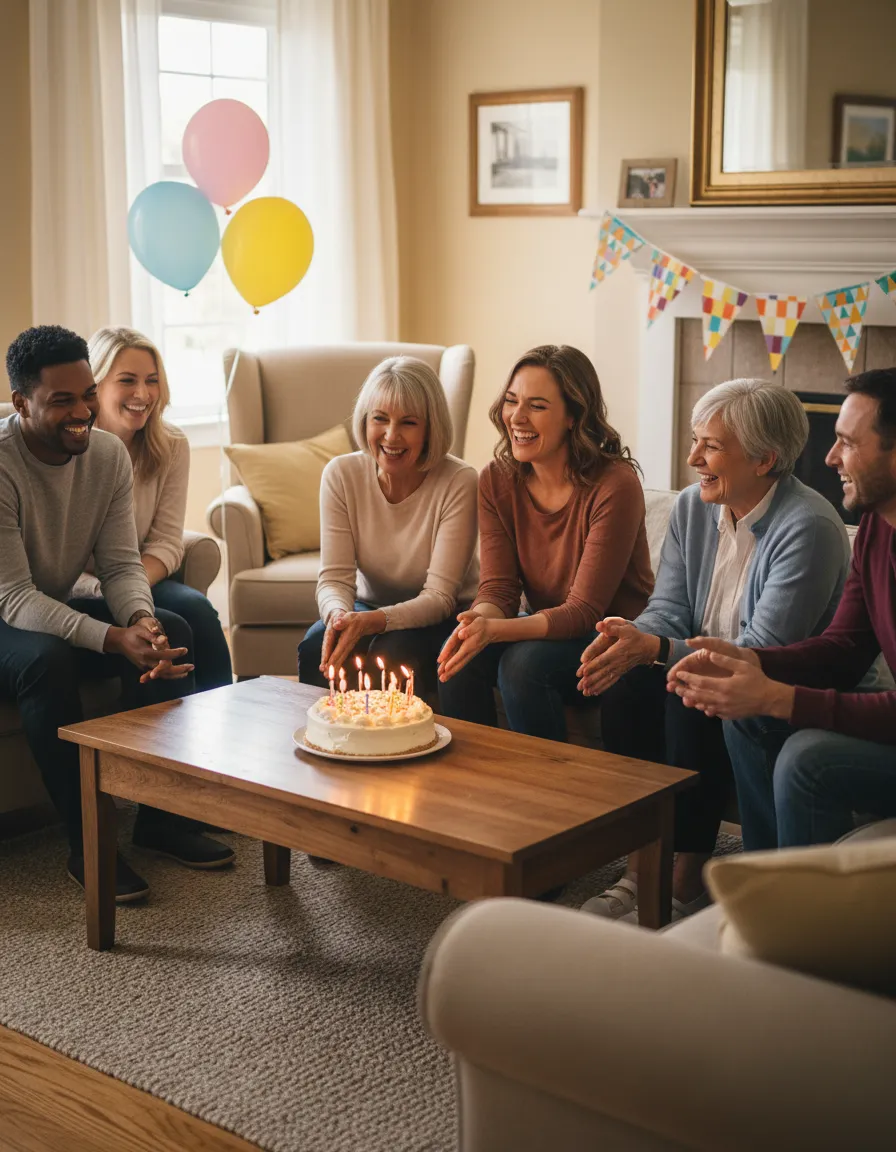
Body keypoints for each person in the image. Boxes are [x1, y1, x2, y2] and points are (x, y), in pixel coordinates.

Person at [576, 378, 850, 921]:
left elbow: (761, 652)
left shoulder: (809, 527)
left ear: (765, 459)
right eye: (695, 440)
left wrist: (659, 648)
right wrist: (636, 638)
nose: (692, 456)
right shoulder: (691, 508)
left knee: (691, 689)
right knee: (629, 681)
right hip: (708, 664)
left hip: (782, 687)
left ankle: (686, 875)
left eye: (710, 445)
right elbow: (669, 608)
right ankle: (641, 864)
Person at [0, 326, 234, 903]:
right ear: (21, 404)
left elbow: (123, 564)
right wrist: (111, 638)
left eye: (86, 395)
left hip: (44, 602)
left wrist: (141, 620)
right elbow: (14, 597)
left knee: (173, 626)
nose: (82, 411)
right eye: (62, 400)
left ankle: (160, 817)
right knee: (46, 660)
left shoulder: (103, 455)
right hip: (6, 611)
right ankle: (90, 846)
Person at [669, 369, 896, 850]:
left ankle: (803, 912)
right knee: (745, 712)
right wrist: (751, 664)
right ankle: (762, 878)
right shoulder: (879, 528)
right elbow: (845, 646)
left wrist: (777, 697)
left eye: (848, 443)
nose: (830, 457)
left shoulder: (811, 523)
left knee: (807, 759)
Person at [437, 344, 652, 742]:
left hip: (613, 638)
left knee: (523, 665)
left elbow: (583, 611)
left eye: (536, 406)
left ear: (574, 416)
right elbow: (499, 588)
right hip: (551, 630)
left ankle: (547, 798)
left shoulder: (615, 484)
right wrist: (477, 622)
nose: (516, 418)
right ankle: (473, 790)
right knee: (459, 657)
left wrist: (495, 631)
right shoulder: (497, 479)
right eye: (511, 401)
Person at [298, 356, 478, 698]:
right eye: (380, 419)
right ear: (365, 421)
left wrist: (371, 621)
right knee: (315, 645)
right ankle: (329, 744)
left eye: (408, 422)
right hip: (369, 606)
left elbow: (439, 597)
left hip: (447, 613)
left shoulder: (460, 481)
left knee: (394, 653)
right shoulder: (341, 474)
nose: (391, 436)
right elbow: (334, 579)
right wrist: (339, 617)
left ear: (430, 428)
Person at [87, 326, 232, 692]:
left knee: (199, 609)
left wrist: (130, 586)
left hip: (138, 576)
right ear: (96, 384)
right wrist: (115, 593)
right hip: (83, 588)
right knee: (168, 627)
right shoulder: (74, 448)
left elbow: (168, 542)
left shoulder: (170, 445)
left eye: (152, 381)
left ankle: (227, 720)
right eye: (127, 380)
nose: (143, 394)